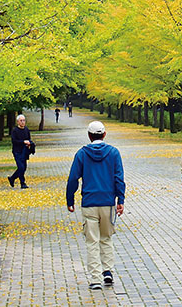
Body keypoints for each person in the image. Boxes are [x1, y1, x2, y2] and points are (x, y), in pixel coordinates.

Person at [66, 121, 126, 290]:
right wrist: (120, 200)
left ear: (89, 135)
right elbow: (119, 178)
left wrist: (70, 199)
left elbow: (73, 179)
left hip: (89, 202)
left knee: (92, 240)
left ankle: (95, 279)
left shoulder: (82, 154)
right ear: (104, 134)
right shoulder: (114, 153)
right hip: (108, 203)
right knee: (106, 238)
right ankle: (108, 271)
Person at [7, 114, 32, 189]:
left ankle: (12, 178)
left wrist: (29, 144)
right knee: (21, 167)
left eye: (24, 120)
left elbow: (29, 139)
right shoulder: (15, 130)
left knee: (24, 168)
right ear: (17, 122)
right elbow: (14, 141)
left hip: (24, 151)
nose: (22, 122)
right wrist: (23, 142)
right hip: (17, 151)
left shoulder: (26, 129)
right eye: (21, 120)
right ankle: (22, 183)